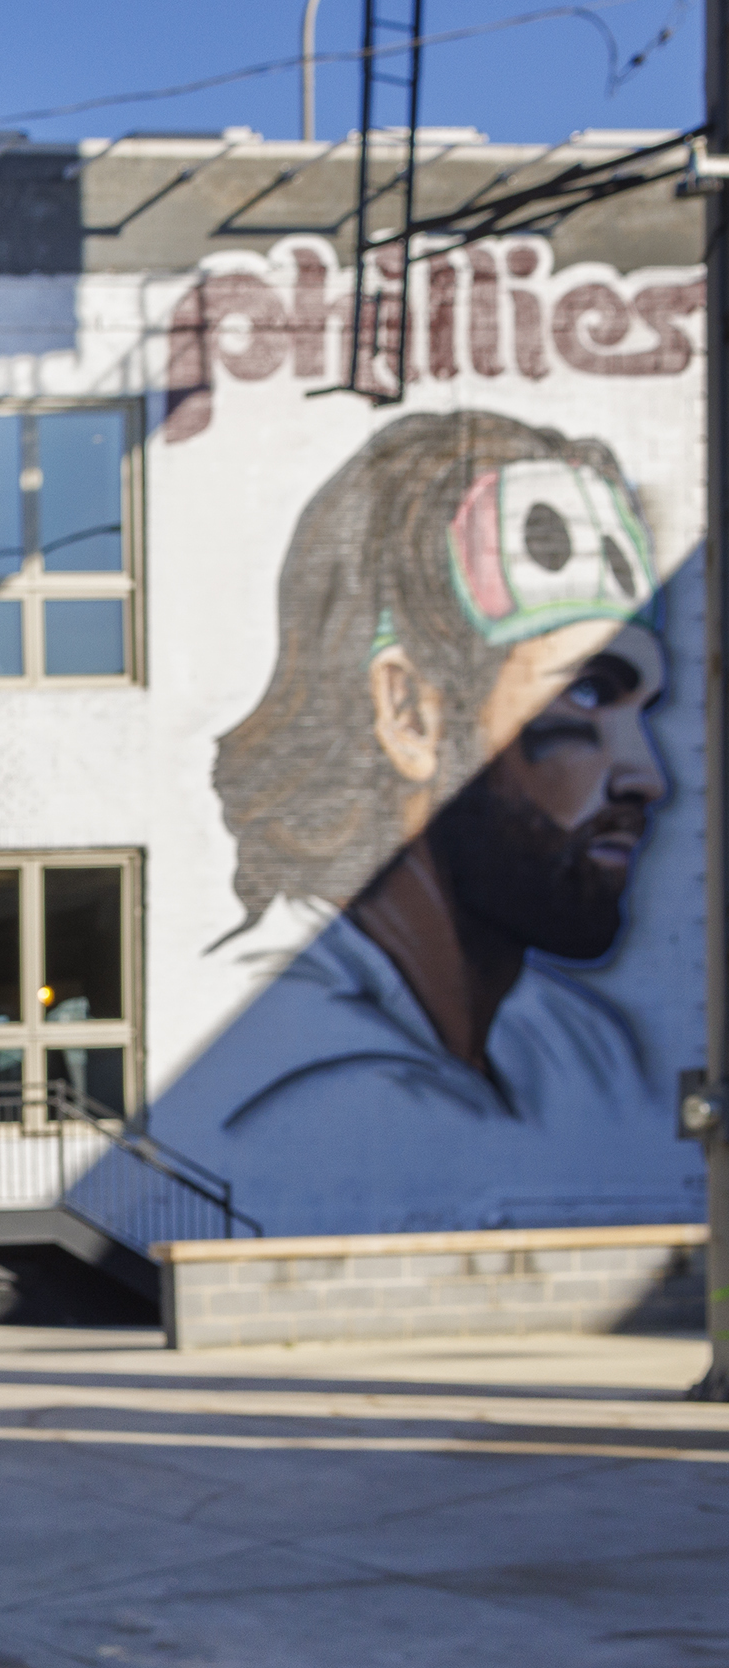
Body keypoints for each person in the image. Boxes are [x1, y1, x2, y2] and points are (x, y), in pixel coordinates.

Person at [159, 412, 676, 1234]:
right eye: (584, 692)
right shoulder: (291, 1071)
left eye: (645, 707)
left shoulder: (574, 1042)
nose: (648, 776)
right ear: (410, 712)